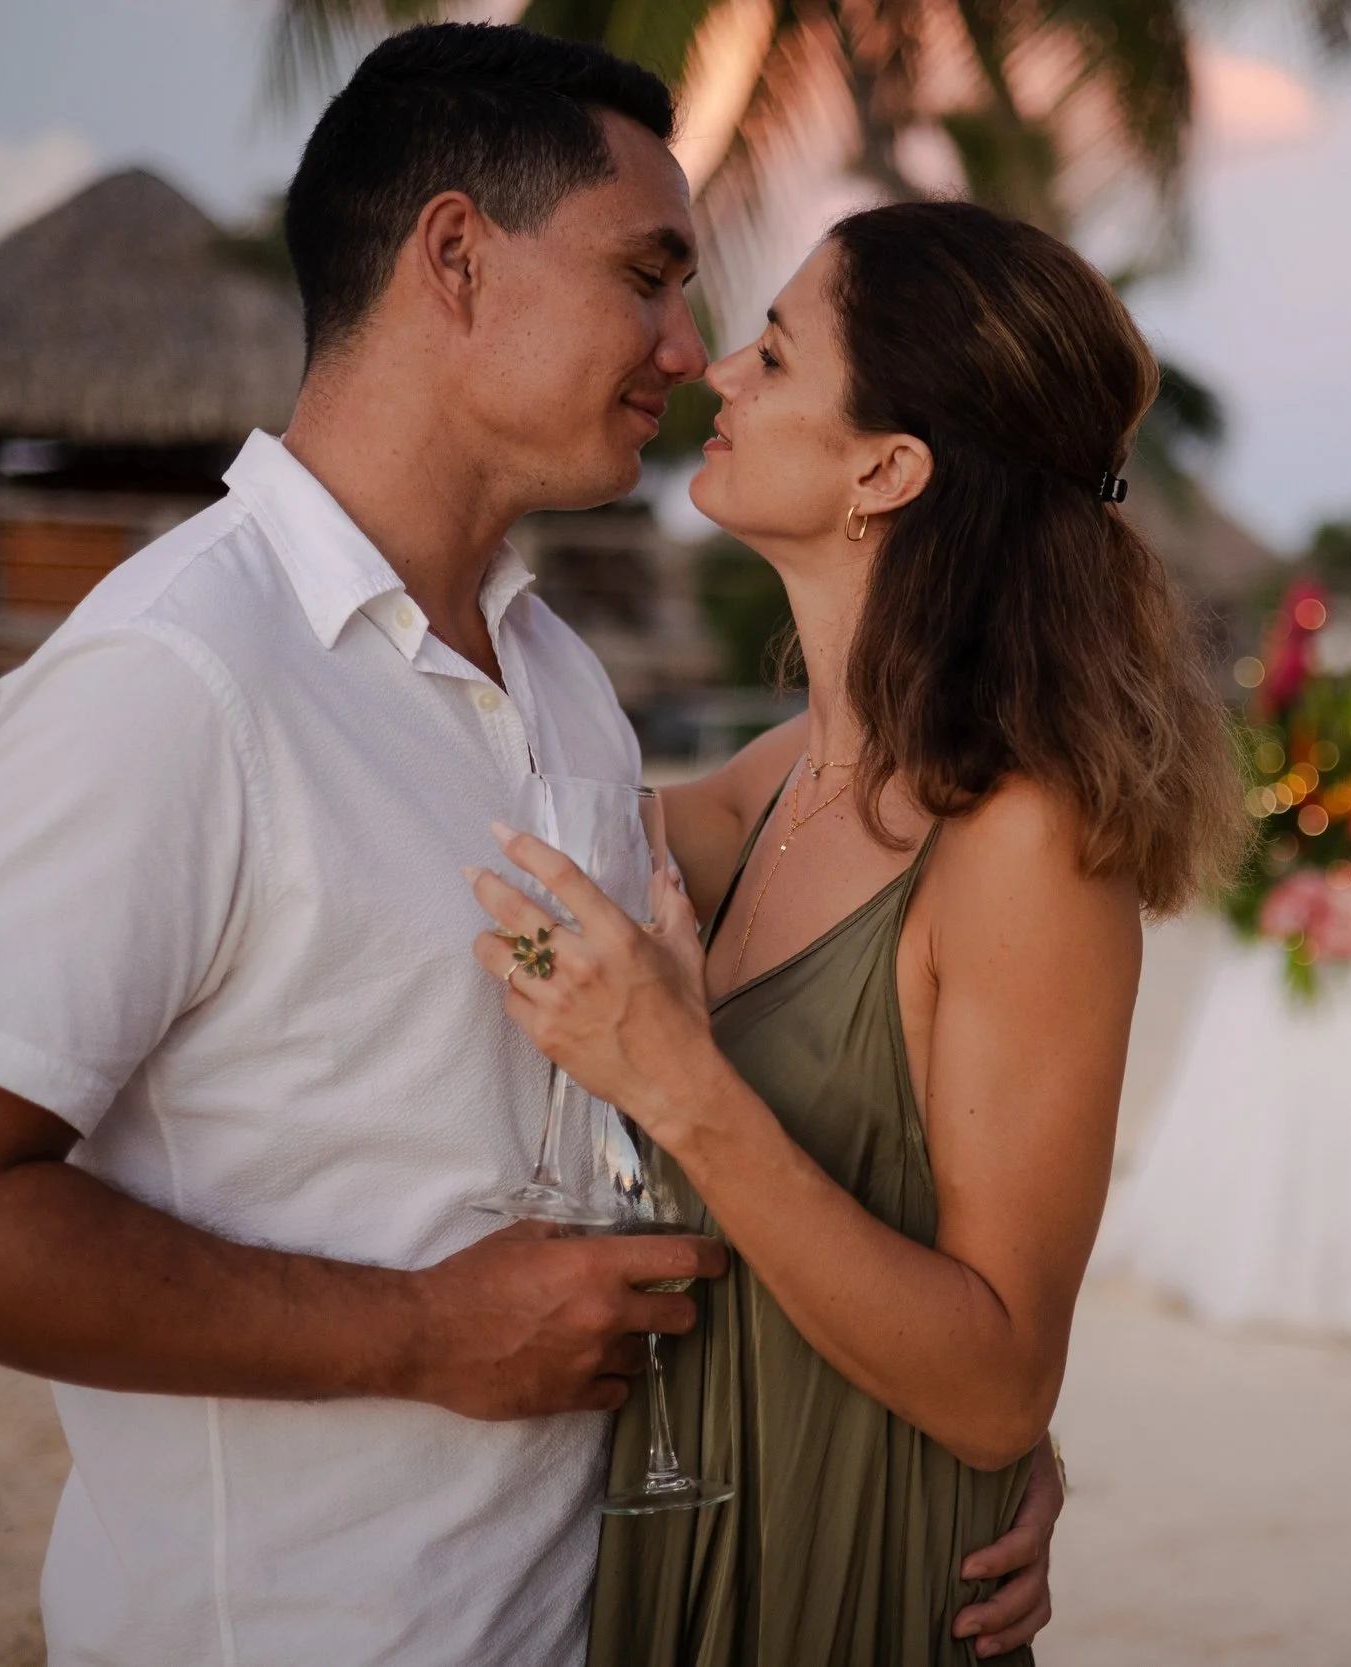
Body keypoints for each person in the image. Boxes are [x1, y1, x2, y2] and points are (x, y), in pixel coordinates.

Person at [0, 26, 1059, 1665]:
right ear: (456, 257)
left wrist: (955, 1442)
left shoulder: (557, 684)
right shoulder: (177, 677)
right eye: (648, 275)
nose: (685, 351)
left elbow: (685, 1138)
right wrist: (417, 1332)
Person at [464, 200, 1250, 1665]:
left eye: (773, 351)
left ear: (886, 469)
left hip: (857, 1579)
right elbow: (473, 849)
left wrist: (687, 1088)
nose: (721, 376)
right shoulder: (778, 781)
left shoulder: (1021, 842)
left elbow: (1001, 1381)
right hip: (687, 1549)